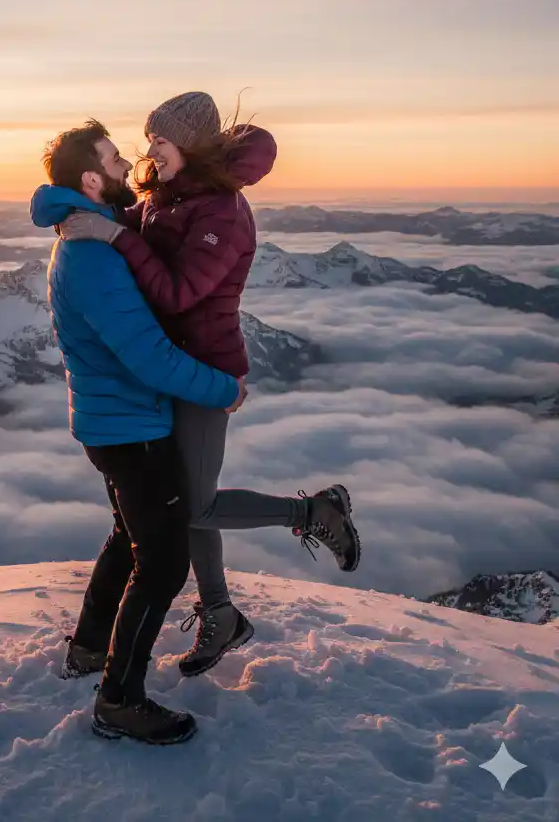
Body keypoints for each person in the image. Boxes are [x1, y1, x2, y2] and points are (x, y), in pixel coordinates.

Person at [32, 119, 359, 744]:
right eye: (118, 157)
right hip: (144, 414)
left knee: (142, 531)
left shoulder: (132, 223)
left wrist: (115, 227)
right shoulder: (94, 249)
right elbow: (150, 350)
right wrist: (224, 389)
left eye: (153, 143)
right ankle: (122, 696)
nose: (137, 159)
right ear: (93, 180)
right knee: (163, 555)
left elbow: (167, 274)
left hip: (133, 413)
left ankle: (96, 649)